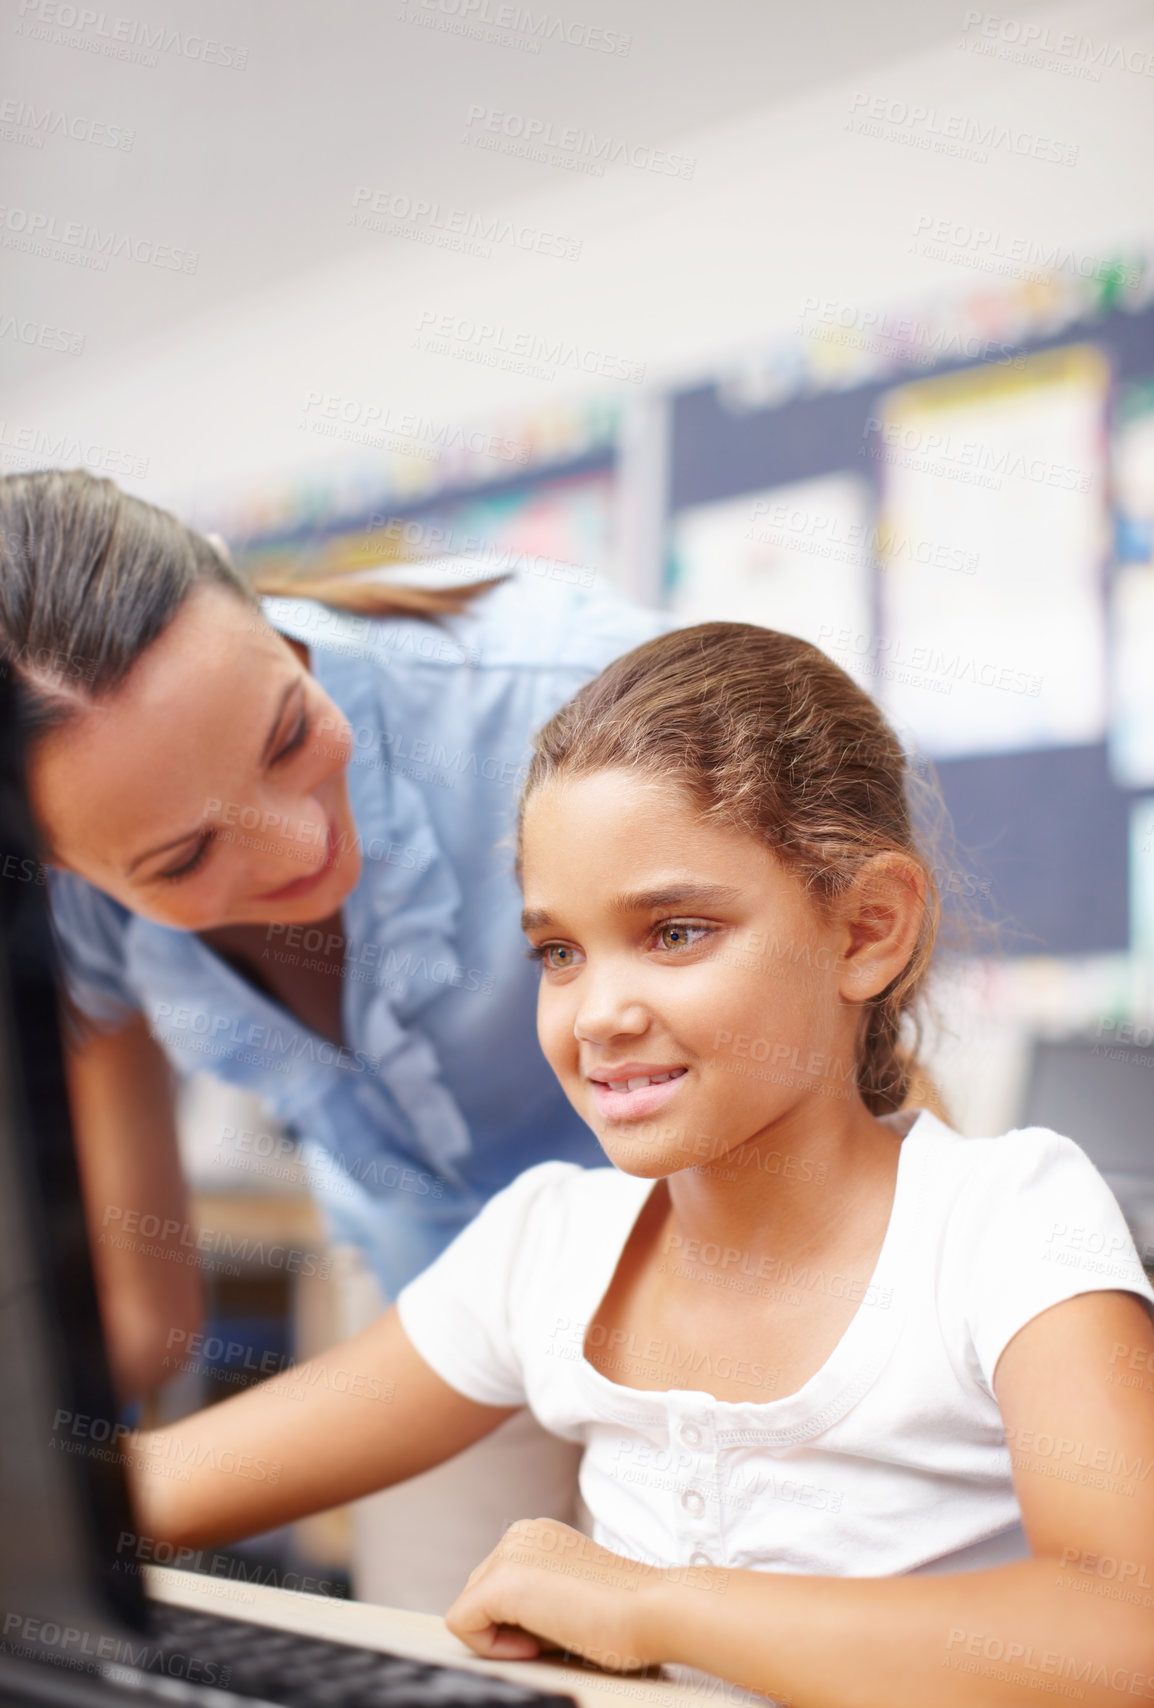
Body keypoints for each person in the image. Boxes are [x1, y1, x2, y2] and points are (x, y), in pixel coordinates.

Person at [128, 621, 1154, 1706]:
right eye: (557, 952)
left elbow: (1124, 1623)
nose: (599, 1014)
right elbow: (162, 1485)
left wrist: (652, 1603)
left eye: (673, 932)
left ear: (863, 930)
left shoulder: (1006, 1223)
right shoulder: (549, 1244)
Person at [0, 465, 671, 1609]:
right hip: (425, 1305)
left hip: (715, 1266)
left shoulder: (572, 695)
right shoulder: (56, 897)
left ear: (246, 594)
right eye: (183, 859)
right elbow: (142, 1304)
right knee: (445, 1653)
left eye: (286, 733)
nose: (299, 841)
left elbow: (839, 1083)